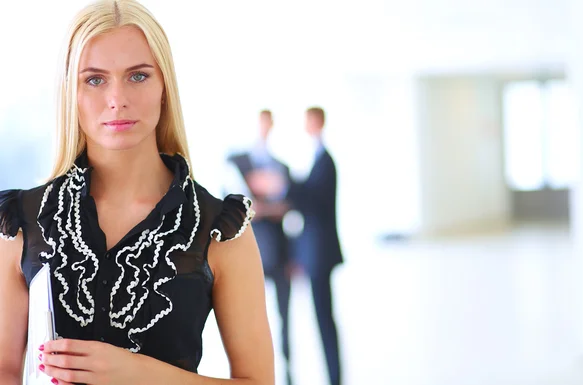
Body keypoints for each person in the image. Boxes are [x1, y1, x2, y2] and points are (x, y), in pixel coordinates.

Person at [0, 1, 274, 384]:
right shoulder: (21, 222)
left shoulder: (219, 229)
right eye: (94, 79)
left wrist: (140, 374)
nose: (117, 99)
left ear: (165, 86)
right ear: (70, 93)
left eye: (138, 76)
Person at [248, 106, 343, 385]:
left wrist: (281, 186)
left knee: (323, 318)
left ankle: (335, 377)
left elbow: (311, 199)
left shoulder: (324, 160)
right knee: (320, 318)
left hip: (318, 253)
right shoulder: (317, 159)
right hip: (306, 253)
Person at [224, 110, 293, 385]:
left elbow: (287, 207)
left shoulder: (282, 166)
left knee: (284, 317)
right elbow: (234, 204)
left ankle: (286, 371)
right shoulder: (236, 161)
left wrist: (264, 207)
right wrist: (264, 207)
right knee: (249, 320)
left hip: (280, 252)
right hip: (249, 253)